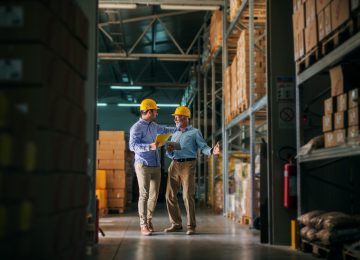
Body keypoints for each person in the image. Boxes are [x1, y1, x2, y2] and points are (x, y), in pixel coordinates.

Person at [164, 106, 220, 235]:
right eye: (175, 117)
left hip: (188, 165)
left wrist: (212, 151)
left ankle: (191, 226)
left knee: (187, 195)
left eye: (177, 116)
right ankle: (176, 224)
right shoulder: (175, 133)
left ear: (185, 118)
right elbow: (170, 152)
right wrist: (170, 152)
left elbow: (203, 147)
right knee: (169, 195)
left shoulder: (194, 132)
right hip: (174, 164)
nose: (175, 119)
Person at [129, 98, 176, 236]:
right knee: (144, 194)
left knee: (154, 196)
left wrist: (179, 129)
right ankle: (143, 224)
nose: (157, 113)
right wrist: (149, 146)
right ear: (149, 111)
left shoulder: (154, 126)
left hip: (156, 165)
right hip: (143, 164)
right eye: (155, 111)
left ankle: (149, 220)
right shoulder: (136, 127)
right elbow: (132, 146)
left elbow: (165, 129)